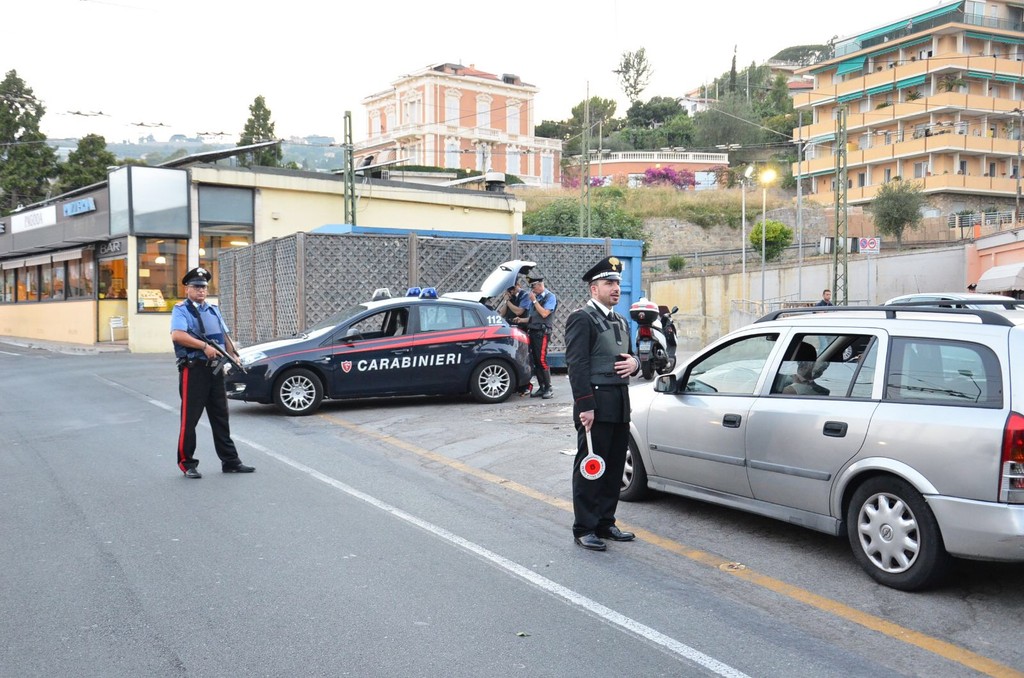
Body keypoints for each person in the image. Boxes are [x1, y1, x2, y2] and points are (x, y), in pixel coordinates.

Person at [565, 256, 640, 551]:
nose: (616, 288)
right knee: (591, 466)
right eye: (609, 283)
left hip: (619, 402)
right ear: (594, 289)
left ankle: (605, 522)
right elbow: (577, 365)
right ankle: (585, 527)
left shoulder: (620, 320)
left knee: (613, 467)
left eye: (617, 283)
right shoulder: (581, 319)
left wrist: (635, 363)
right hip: (595, 404)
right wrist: (585, 406)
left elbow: (630, 356)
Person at [170, 267, 254, 479]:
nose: (201, 290)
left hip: (215, 369)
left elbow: (224, 335)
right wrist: (203, 346)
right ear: (187, 289)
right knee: (190, 419)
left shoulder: (213, 309)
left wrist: (233, 354)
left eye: (204, 287)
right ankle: (187, 463)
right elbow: (177, 335)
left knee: (220, 417)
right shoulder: (181, 310)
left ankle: (231, 462)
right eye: (196, 287)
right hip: (194, 370)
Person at [514, 273, 557, 399]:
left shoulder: (550, 297)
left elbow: (544, 314)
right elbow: (533, 318)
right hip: (533, 331)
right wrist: (521, 320)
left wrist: (534, 300)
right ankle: (542, 387)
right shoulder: (536, 298)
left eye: (533, 287)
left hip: (542, 333)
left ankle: (549, 388)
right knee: (535, 361)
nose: (532, 290)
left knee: (542, 360)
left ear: (540, 285)